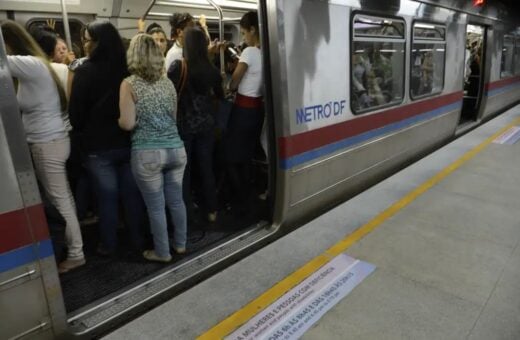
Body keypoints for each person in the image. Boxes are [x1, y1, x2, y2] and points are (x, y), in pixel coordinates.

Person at [1, 20, 85, 273]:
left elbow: (4, 61)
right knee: (63, 199)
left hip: (47, 143)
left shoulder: (31, 65)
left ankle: (76, 253)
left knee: (60, 202)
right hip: (53, 140)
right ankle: (74, 248)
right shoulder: (38, 66)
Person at [69, 20, 146, 256]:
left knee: (107, 199)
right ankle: (138, 241)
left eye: (87, 40)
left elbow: (76, 115)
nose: (84, 45)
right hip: (127, 142)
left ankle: (109, 245)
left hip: (97, 148)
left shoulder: (83, 72)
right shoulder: (129, 70)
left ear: (98, 43)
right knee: (132, 196)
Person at [119, 34, 187, 262]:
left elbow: (127, 124)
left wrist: (120, 121)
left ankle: (162, 252)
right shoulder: (168, 83)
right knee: (177, 201)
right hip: (176, 150)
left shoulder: (129, 84)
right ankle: (180, 244)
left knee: (156, 208)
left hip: (147, 153)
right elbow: (173, 118)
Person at [168, 27, 224, 224]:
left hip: (184, 127)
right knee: (206, 167)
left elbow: (169, 95)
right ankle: (212, 210)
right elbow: (221, 96)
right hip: (207, 126)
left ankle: (187, 213)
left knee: (184, 171)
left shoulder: (178, 67)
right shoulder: (213, 70)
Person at [225, 11, 264, 214]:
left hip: (242, 111)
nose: (243, 37)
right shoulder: (265, 52)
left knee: (231, 156)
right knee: (247, 155)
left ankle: (239, 198)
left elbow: (234, 83)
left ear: (253, 30)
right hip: (257, 111)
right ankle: (248, 194)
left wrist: (230, 80)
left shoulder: (249, 52)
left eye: (244, 32)